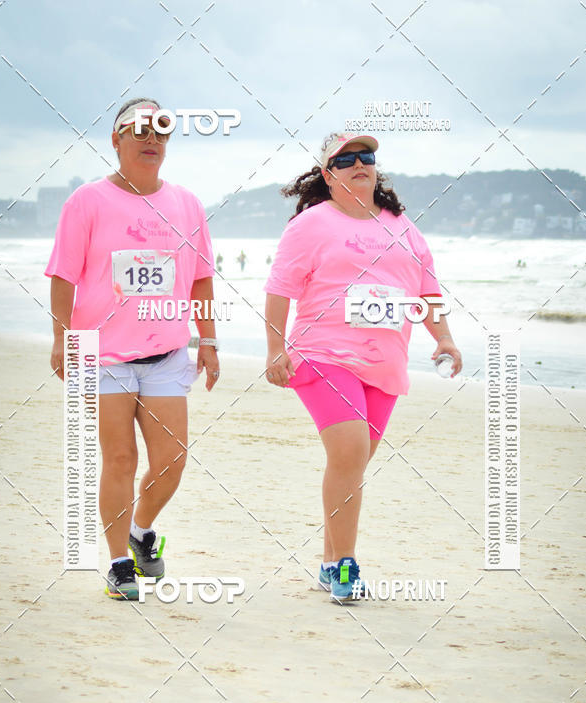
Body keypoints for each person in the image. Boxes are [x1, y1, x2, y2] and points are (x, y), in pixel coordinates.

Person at [264, 132, 462, 602]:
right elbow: (279, 290)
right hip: (322, 354)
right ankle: (347, 568)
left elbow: (427, 291)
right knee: (350, 452)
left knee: (352, 465)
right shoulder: (311, 225)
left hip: (385, 364)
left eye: (366, 157)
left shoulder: (403, 227)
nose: (359, 164)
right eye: (346, 159)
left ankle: (329, 561)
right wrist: (276, 348)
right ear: (328, 174)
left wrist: (446, 339)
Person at [46, 98, 219, 601]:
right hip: (102, 356)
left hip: (166, 355)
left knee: (172, 461)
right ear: (116, 140)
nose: (151, 138)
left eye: (161, 129)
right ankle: (119, 562)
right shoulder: (87, 202)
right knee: (119, 458)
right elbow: (63, 275)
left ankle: (141, 531)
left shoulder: (186, 203)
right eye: (139, 129)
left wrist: (207, 340)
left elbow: (202, 279)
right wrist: (62, 337)